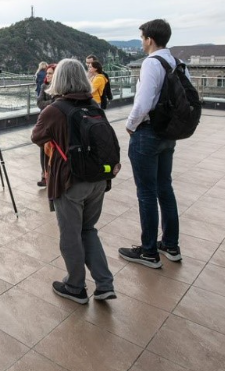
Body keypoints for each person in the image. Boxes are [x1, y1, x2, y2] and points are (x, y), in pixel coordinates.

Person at [31, 58, 116, 304]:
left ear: (58, 80)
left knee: (70, 235)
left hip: (70, 181)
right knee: (88, 230)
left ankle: (76, 286)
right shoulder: (94, 105)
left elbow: (36, 137)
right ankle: (104, 284)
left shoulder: (55, 110)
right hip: (98, 179)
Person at [119, 19, 182, 269]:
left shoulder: (151, 63)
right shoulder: (177, 62)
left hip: (148, 133)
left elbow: (143, 103)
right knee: (165, 188)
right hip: (169, 133)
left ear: (149, 39)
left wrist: (130, 125)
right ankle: (170, 244)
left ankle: (148, 252)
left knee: (146, 193)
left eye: (142, 37)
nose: (142, 41)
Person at [36, 63, 57, 187]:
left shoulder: (61, 87)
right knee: (43, 149)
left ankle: (52, 175)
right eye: (47, 73)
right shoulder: (44, 86)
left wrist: (48, 104)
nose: (47, 75)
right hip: (45, 122)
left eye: (50, 73)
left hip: (56, 123)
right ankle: (44, 175)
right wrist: (53, 103)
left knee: (53, 149)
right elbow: (39, 103)